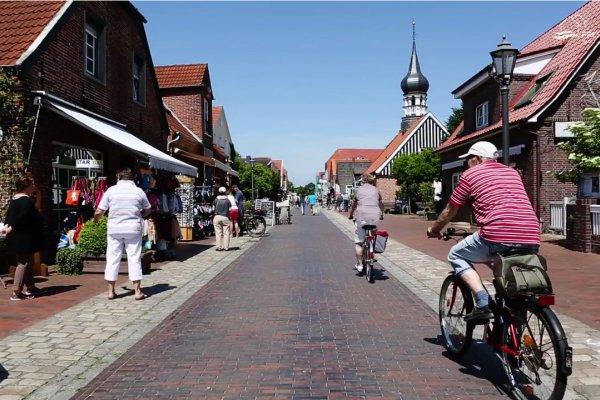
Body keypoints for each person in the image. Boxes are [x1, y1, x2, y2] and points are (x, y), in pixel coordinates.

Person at [427, 141, 540, 321]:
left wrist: (434, 229)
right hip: (531, 234)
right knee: (502, 270)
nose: (467, 163)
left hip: (497, 233)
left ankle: (482, 302)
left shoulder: (470, 174)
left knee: (456, 255)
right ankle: (513, 325)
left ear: (478, 159)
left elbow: (451, 209)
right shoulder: (512, 172)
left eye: (469, 159)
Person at [94, 168, 151, 301]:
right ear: (132, 178)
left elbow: (99, 211)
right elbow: (148, 209)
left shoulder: (111, 191)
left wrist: (96, 221)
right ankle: (137, 291)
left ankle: (111, 291)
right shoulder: (138, 191)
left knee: (113, 258)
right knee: (134, 258)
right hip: (133, 228)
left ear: (118, 178)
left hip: (114, 228)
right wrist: (140, 215)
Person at [1, 175, 45, 301]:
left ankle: (30, 286)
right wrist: (39, 197)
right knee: (23, 263)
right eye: (32, 185)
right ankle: (16, 291)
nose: (33, 187)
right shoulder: (26, 201)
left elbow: (11, 218)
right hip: (23, 238)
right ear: (26, 187)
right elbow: (23, 217)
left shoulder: (15, 199)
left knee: (28, 261)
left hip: (19, 237)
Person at [348, 174, 384, 273]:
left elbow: (354, 204)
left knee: (359, 242)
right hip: (375, 216)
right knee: (373, 234)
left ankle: (359, 264)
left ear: (363, 181)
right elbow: (381, 203)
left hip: (361, 217)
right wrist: (381, 214)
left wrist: (351, 214)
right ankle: (372, 250)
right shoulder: (376, 190)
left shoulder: (359, 190)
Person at [213, 187, 232, 251]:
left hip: (217, 216)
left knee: (218, 233)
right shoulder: (227, 200)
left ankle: (219, 247)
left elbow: (213, 208)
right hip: (225, 217)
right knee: (226, 233)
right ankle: (226, 247)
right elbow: (230, 208)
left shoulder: (216, 199)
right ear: (225, 192)